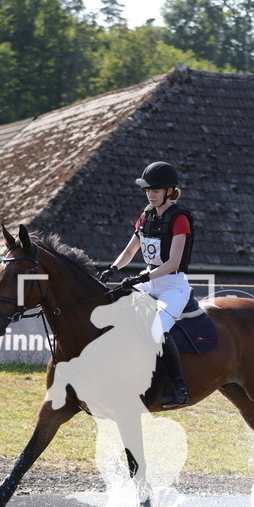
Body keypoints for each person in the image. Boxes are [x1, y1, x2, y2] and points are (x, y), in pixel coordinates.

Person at [101, 162, 194, 408]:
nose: (150, 195)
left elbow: (173, 263)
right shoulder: (146, 215)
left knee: (157, 330)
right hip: (149, 280)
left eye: (155, 190)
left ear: (169, 191)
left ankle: (179, 388)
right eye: (148, 191)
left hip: (173, 286)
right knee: (113, 310)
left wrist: (142, 278)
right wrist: (113, 268)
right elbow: (130, 250)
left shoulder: (179, 218)